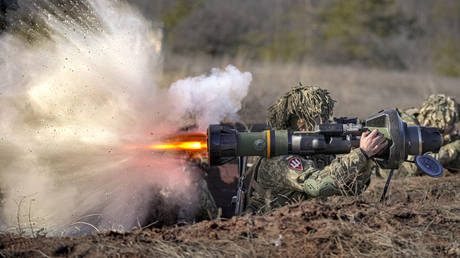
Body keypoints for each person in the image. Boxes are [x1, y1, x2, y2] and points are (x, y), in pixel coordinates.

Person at [244, 85, 388, 214]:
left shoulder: (315, 153)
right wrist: (361, 154)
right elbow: (319, 185)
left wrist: (366, 159)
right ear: (301, 125)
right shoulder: (279, 159)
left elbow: (351, 189)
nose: (325, 123)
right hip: (267, 230)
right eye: (319, 119)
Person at [396, 94, 460, 176]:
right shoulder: (406, 127)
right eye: (451, 124)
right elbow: (414, 165)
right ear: (438, 121)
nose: (454, 128)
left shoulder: (433, 133)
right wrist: (454, 148)